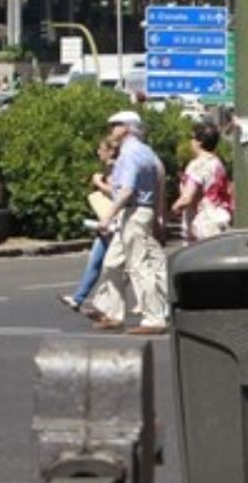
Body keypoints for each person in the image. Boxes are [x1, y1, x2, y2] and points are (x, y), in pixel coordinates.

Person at [82, 111, 169, 335]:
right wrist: (159, 216)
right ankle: (111, 313)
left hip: (134, 211)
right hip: (141, 211)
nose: (111, 129)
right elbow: (160, 181)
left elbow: (127, 190)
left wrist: (108, 216)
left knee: (139, 266)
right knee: (112, 263)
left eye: (115, 125)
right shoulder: (146, 152)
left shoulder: (130, 154)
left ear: (127, 128)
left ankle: (154, 318)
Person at [58, 137, 117, 313]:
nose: (98, 152)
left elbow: (116, 192)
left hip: (113, 223)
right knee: (95, 262)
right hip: (105, 224)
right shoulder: (109, 168)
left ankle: (143, 305)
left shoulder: (114, 168)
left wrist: (98, 183)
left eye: (101, 149)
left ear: (110, 151)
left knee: (124, 268)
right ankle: (78, 298)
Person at [171, 120, 233, 244]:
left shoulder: (198, 165)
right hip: (219, 222)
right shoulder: (218, 163)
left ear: (199, 142)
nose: (191, 141)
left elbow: (187, 198)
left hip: (202, 226)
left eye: (192, 138)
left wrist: (173, 210)